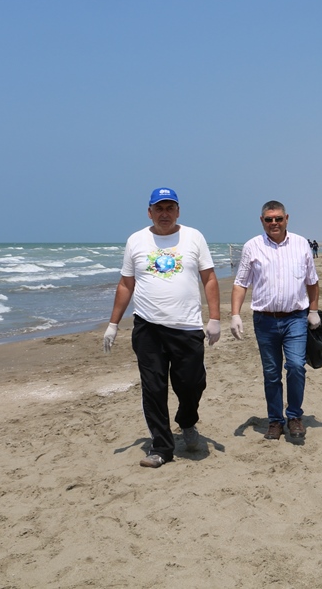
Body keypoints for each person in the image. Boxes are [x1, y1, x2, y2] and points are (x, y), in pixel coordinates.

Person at [104, 187, 221, 469]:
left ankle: (187, 421)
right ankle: (161, 447)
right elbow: (126, 284)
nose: (164, 214)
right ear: (150, 212)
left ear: (178, 211)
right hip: (148, 328)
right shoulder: (136, 240)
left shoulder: (194, 237)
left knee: (192, 383)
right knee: (154, 387)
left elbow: (209, 278)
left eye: (170, 208)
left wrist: (215, 318)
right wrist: (113, 324)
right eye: (159, 208)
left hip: (187, 326)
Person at [230, 201, 320, 442]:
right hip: (265, 321)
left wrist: (314, 310)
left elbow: (312, 280)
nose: (274, 223)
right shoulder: (252, 246)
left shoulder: (301, 244)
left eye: (278, 218)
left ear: (287, 218)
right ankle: (275, 421)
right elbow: (241, 282)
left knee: (295, 366)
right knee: (271, 373)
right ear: (262, 221)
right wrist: (235, 314)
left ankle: (294, 416)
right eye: (269, 219)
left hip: (295, 319)